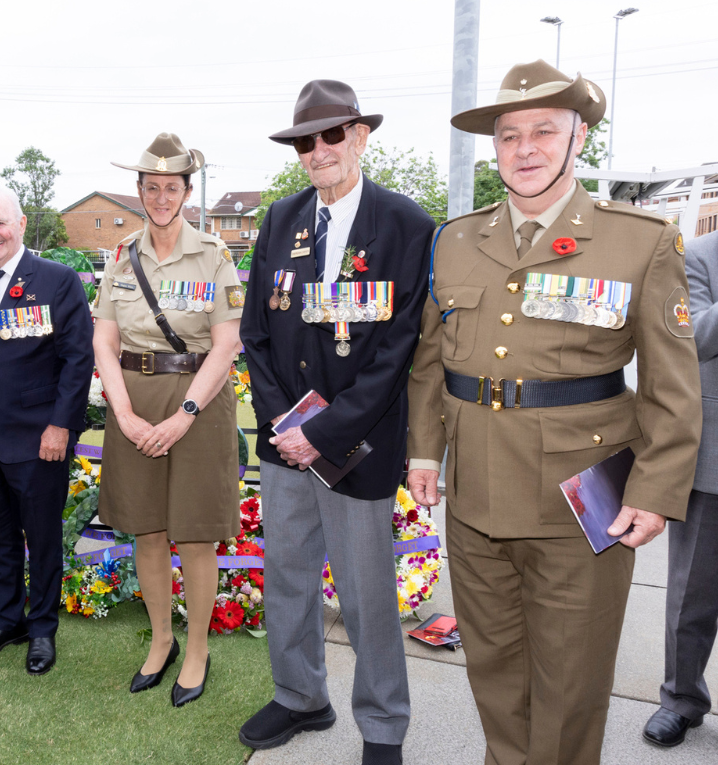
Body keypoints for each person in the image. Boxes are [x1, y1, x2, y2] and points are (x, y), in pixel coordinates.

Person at [406, 60, 703, 765]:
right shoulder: (454, 240)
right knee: (494, 671)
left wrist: (655, 491)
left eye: (544, 130)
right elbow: (429, 362)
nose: (525, 147)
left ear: (579, 140)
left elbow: (671, 382)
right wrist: (423, 451)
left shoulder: (639, 240)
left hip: (581, 499)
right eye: (509, 135)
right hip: (476, 495)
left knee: (570, 683)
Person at [238, 81, 434, 764]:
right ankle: (300, 697)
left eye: (330, 135)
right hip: (285, 444)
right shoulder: (279, 219)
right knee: (288, 574)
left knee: (365, 592)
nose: (317, 150)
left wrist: (321, 432)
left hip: (359, 443)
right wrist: (282, 425)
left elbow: (396, 350)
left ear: (359, 136)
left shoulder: (404, 223)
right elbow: (255, 334)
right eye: (305, 140)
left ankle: (382, 726)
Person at [91, 133, 244, 707]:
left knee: (195, 534)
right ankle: (160, 641)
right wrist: (123, 412)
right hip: (133, 399)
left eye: (171, 187)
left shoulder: (214, 255)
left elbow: (227, 345)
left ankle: (197, 647)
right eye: (151, 187)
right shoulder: (121, 256)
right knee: (148, 531)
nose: (160, 197)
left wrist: (183, 414)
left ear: (185, 191)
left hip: (198, 404)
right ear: (139, 191)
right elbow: (104, 340)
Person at [0, 184, 93, 676]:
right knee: (0, 535)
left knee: (42, 537)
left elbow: (77, 361)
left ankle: (42, 629)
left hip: (39, 438)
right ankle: (6, 620)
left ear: (21, 224)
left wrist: (60, 427)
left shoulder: (56, 280)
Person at [643, 226, 718, 747]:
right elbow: (690, 336)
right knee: (692, 593)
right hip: (713, 460)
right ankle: (682, 698)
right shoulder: (697, 256)